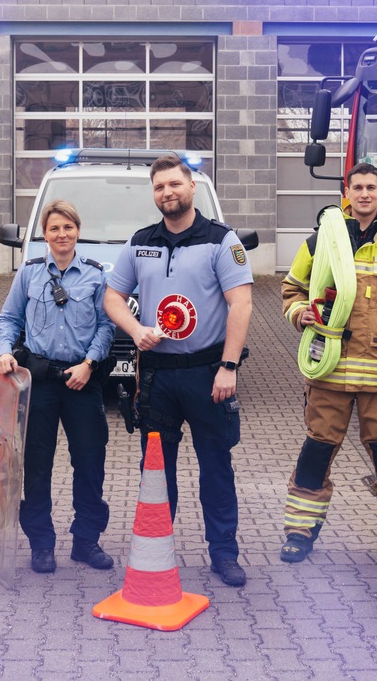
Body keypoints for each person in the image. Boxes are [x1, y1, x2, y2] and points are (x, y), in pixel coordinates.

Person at [104, 153, 254, 587]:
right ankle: (155, 552)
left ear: (191, 188)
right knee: (155, 469)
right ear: (154, 195)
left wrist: (229, 366)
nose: (167, 192)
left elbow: (241, 304)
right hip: (156, 378)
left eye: (174, 184)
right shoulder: (140, 241)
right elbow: (113, 297)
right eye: (159, 187)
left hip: (208, 375)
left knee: (216, 466)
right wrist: (135, 330)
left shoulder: (223, 241)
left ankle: (224, 554)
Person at [279, 162, 377, 568]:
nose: (364, 194)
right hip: (329, 372)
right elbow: (291, 288)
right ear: (346, 193)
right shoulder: (321, 241)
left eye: (371, 188)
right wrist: (300, 314)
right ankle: (299, 533)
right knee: (315, 454)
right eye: (357, 187)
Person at [0, 200, 116, 574]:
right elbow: (8, 319)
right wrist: (4, 352)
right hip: (40, 383)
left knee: (90, 464)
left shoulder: (96, 275)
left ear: (78, 231)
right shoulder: (29, 274)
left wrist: (90, 364)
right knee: (36, 467)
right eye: (54, 229)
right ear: (44, 235)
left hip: (82, 382)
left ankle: (86, 541)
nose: (61, 234)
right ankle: (42, 545)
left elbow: (107, 327)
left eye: (68, 227)